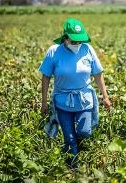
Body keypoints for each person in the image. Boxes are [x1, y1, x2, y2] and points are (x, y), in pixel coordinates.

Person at [39, 18, 111, 168]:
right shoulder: (54, 51)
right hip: (62, 101)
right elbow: (46, 77)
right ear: (65, 38)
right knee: (69, 138)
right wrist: (44, 102)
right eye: (74, 41)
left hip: (84, 99)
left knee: (84, 132)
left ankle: (79, 148)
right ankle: (73, 169)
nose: (77, 44)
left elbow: (98, 73)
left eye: (79, 41)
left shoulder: (87, 49)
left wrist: (105, 96)